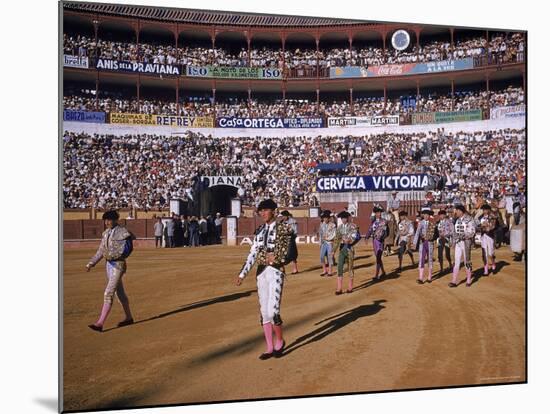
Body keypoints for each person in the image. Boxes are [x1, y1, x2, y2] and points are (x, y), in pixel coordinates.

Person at [235, 199, 293, 360]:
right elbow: (252, 254)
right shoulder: (260, 231)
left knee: (273, 311)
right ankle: (269, 347)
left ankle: (280, 341)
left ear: (274, 211)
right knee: (264, 313)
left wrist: (278, 259)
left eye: (266, 210)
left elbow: (291, 252)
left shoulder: (283, 228)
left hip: (275, 272)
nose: (262, 213)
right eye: (261, 211)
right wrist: (242, 274)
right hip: (261, 273)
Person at [86, 210, 135, 332]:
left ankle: (100, 323)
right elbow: (101, 251)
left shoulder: (123, 232)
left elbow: (127, 250)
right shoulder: (106, 233)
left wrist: (114, 256)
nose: (107, 222)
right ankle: (128, 317)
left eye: (109, 220)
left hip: (118, 265)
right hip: (109, 265)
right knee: (120, 293)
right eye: (105, 220)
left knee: (108, 292)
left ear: (115, 220)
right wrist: (92, 263)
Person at [333, 211, 361, 294]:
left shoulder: (353, 226)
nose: (343, 220)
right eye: (342, 218)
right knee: (339, 267)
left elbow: (355, 236)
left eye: (345, 218)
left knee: (350, 267)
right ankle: (339, 288)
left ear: (347, 218)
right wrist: (333, 251)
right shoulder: (339, 228)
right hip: (342, 249)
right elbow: (336, 240)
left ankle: (350, 287)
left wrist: (350, 241)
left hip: (349, 249)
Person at [449, 205, 476, 288]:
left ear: (461, 211)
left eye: (456, 211)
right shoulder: (456, 220)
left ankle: (468, 279)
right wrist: (454, 241)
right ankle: (454, 280)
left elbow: (472, 231)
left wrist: (463, 236)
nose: (455, 212)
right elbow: (454, 232)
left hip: (466, 242)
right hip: (458, 243)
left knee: (467, 261)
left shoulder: (469, 219)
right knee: (457, 261)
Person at [413, 207, 438, 284]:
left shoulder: (432, 224)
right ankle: (421, 278)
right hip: (422, 243)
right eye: (425, 215)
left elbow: (436, 234)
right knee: (422, 259)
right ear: (423, 215)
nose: (426, 216)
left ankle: (429, 277)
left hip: (430, 243)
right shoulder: (421, 223)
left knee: (430, 259)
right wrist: (414, 243)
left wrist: (434, 240)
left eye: (428, 215)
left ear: (429, 216)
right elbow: (417, 233)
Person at [365, 205, 388, 281]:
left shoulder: (384, 221)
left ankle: (376, 275)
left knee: (378, 257)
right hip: (374, 241)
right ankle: (383, 272)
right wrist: (367, 237)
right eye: (378, 212)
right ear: (375, 213)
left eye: (380, 212)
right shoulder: (374, 222)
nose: (379, 214)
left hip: (380, 241)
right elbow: (370, 229)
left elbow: (386, 232)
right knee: (378, 258)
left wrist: (383, 238)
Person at [479, 204, 498, 275]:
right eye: (483, 210)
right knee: (484, 253)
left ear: (489, 210)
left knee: (490, 253)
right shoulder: (480, 217)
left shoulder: (492, 217)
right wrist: (481, 226)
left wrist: (486, 226)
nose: (485, 211)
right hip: (483, 236)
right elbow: (477, 226)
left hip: (490, 236)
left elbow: (493, 227)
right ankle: (486, 269)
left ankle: (493, 265)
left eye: (486, 210)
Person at [318, 210, 336, 277]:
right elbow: (320, 234)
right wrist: (320, 243)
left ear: (329, 218)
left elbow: (334, 234)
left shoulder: (333, 225)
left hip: (329, 243)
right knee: (322, 257)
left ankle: (330, 271)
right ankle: (324, 270)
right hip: (323, 243)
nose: (325, 219)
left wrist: (327, 238)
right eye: (324, 218)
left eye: (326, 218)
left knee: (330, 257)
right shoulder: (322, 225)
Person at [436, 209, 454, 274]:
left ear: (444, 215)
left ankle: (450, 265)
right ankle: (441, 269)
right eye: (440, 215)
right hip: (440, 239)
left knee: (447, 254)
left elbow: (452, 231)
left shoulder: (449, 222)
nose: (441, 216)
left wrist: (446, 234)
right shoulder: (438, 222)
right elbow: (438, 231)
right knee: (439, 254)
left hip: (447, 239)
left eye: (442, 215)